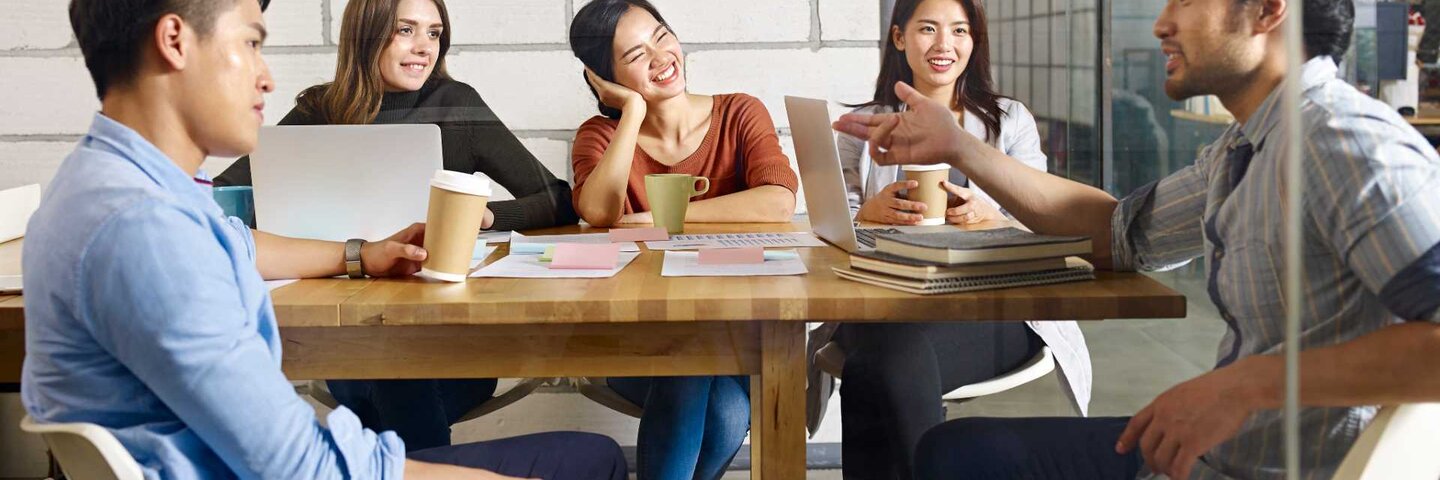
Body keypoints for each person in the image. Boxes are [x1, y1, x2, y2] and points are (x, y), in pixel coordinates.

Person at [834, 0, 1440, 478]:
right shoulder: (1240, 150)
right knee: (955, 451)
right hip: (1220, 453)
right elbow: (1117, 231)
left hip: (1273, 466)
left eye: (1184, 0)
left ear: (1268, 10)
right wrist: (959, 146)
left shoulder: (1346, 142)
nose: (1160, 23)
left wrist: (1248, 384)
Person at [22, 1, 627, 478]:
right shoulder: (148, 231)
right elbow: (302, 465)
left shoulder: (108, 186)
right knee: (594, 458)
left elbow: (235, 239)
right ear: (176, 42)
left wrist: (359, 253)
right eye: (251, 43)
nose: (266, 76)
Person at [212, 0, 580, 453]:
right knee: (384, 371)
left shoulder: (456, 105)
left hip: (448, 338)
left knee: (393, 380)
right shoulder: (320, 111)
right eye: (405, 30)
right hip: (352, 334)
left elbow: (558, 199)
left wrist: (484, 218)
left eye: (434, 32)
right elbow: (217, 199)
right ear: (367, 35)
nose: (424, 47)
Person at [817, 0, 1092, 477]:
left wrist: (992, 216)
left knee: (880, 364)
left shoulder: (1010, 121)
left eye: (960, 31)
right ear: (900, 38)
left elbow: (1047, 223)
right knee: (883, 358)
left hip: (990, 310)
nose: (945, 44)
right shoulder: (865, 126)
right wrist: (867, 215)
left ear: (973, 41)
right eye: (928, 29)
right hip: (883, 303)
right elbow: (831, 230)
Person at [566, 1, 799, 478]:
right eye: (635, 55)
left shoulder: (739, 112)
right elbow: (597, 212)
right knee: (702, 376)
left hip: (738, 333)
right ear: (602, 77)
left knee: (712, 385)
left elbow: (777, 201)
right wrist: (629, 111)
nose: (660, 56)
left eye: (662, 35)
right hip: (638, 339)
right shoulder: (599, 135)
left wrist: (662, 218)